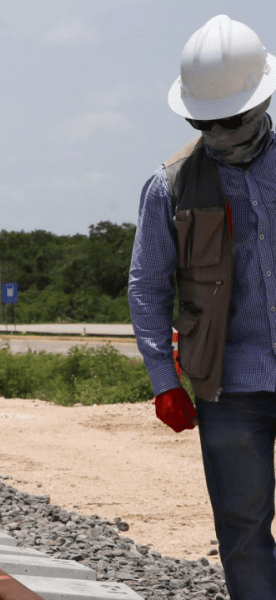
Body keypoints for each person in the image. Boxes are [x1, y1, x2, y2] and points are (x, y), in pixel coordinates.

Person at [128, 14, 276, 599]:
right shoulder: (170, 185)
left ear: (262, 101)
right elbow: (146, 285)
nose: (221, 133)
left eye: (232, 121)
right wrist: (163, 379)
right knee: (242, 532)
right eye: (206, 123)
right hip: (229, 389)